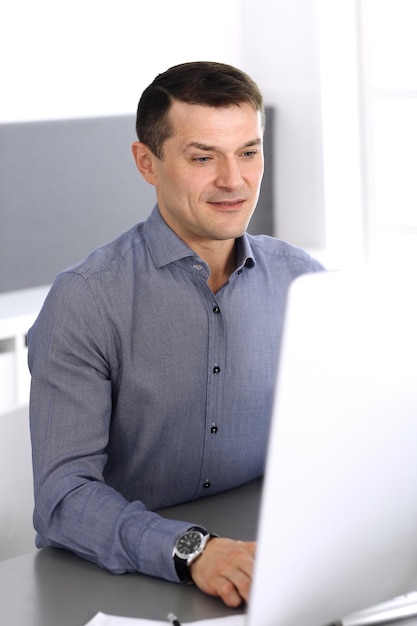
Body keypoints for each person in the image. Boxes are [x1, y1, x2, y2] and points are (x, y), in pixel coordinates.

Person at [28, 61, 324, 608]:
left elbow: (340, 438)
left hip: (270, 564)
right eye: (202, 157)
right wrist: (194, 550)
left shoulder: (303, 282)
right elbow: (62, 500)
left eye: (249, 152)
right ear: (147, 162)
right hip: (126, 583)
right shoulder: (86, 300)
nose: (234, 181)